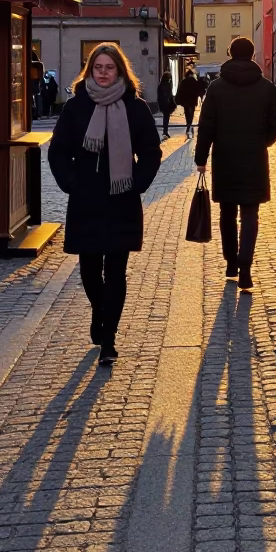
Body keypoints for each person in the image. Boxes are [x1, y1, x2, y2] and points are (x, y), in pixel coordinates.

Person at [49, 42, 161, 366]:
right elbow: (58, 152)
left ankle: (108, 339)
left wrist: (136, 184)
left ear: (119, 70)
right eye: (97, 67)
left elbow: (151, 152)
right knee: (88, 270)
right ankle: (100, 311)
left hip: (121, 201)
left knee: (116, 271)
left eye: (109, 68)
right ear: (89, 70)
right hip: (86, 201)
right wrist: (72, 183)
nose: (103, 73)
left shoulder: (135, 108)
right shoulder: (76, 107)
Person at [194, 37, 276, 292]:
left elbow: (206, 126)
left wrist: (201, 158)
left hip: (225, 158)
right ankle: (245, 268)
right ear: (252, 55)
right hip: (254, 158)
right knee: (250, 214)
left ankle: (231, 262)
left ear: (230, 53)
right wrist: (264, 141)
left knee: (227, 213)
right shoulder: (266, 88)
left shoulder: (216, 88)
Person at [176, 68, 201, 137]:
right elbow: (198, 90)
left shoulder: (183, 81)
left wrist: (179, 98)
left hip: (185, 99)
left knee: (186, 112)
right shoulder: (194, 81)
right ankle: (189, 123)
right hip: (192, 99)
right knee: (191, 112)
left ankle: (188, 124)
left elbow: (180, 90)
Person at [157, 71, 177, 140]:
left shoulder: (160, 85)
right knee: (166, 117)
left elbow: (159, 96)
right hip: (166, 104)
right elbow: (169, 95)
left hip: (162, 103)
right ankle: (165, 131)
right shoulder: (167, 84)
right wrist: (172, 102)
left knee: (165, 117)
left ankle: (165, 131)